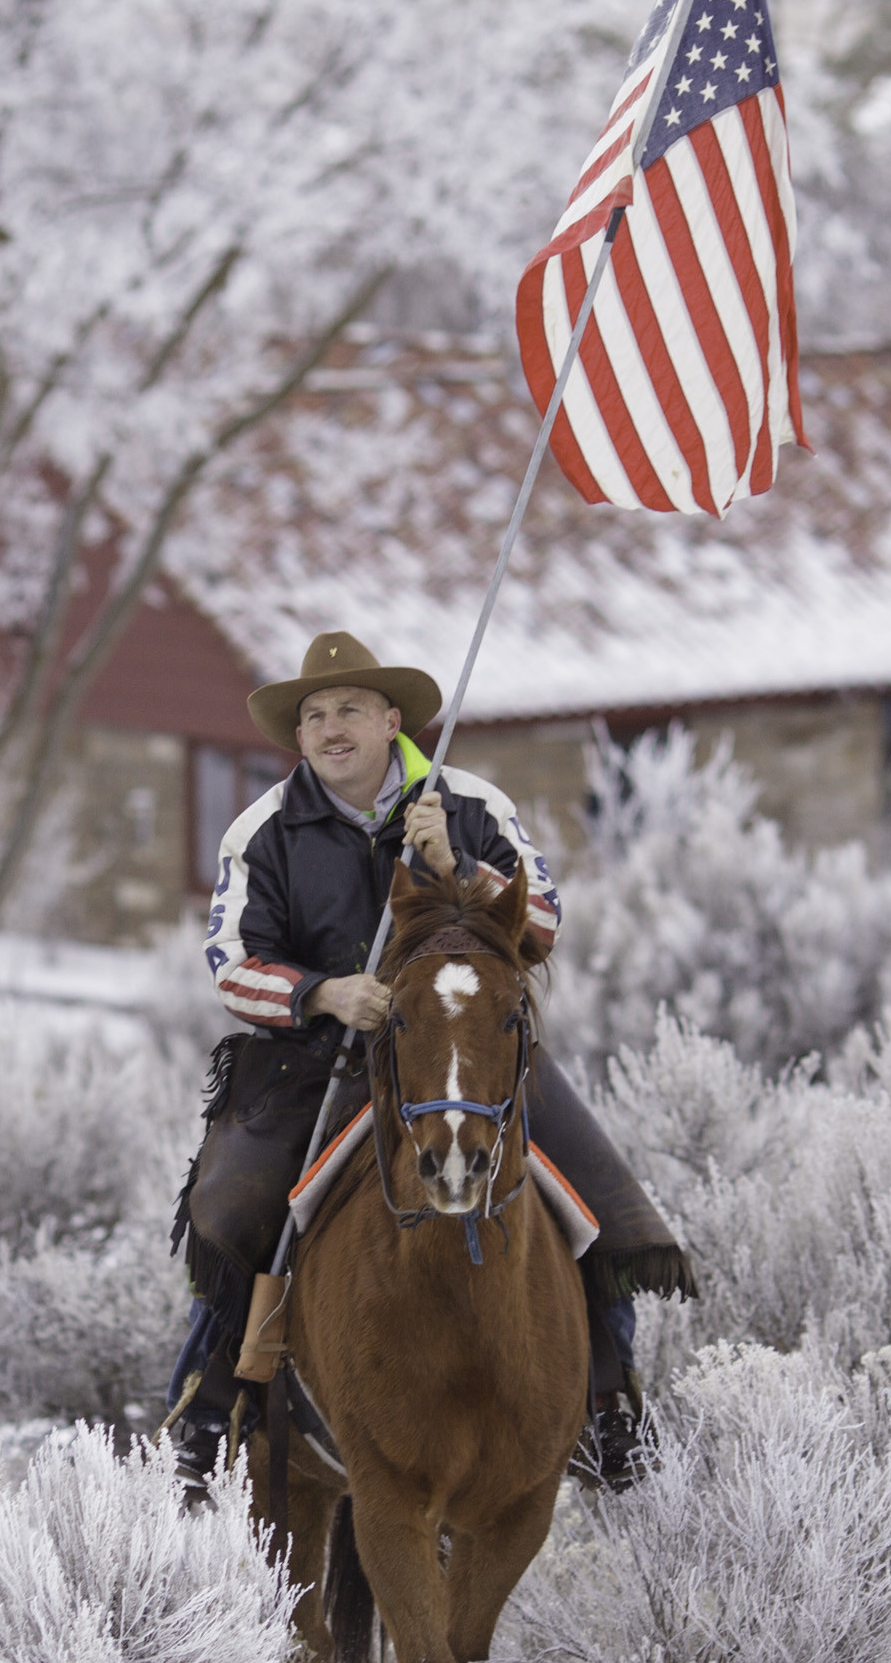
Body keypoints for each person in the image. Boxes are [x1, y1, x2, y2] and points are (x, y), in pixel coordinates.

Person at [166, 629, 691, 1501]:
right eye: (316, 716)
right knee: (235, 1211)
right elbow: (231, 962)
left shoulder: (472, 803)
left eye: (351, 711)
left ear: (391, 720)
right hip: (320, 1060)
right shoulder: (262, 830)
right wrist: (327, 994)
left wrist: (458, 866)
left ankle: (609, 1409)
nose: (333, 729)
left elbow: (544, 926)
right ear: (299, 738)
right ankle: (207, 1410)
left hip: (472, 1051)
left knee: (605, 1204)